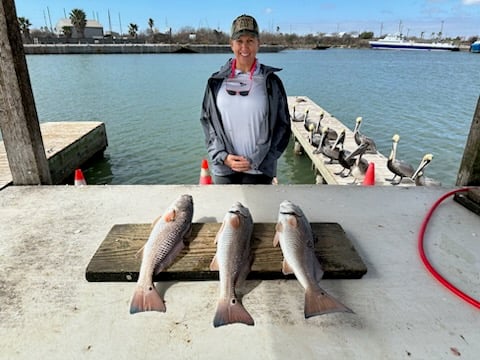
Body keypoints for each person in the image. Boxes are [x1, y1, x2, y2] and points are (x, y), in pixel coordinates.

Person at [200, 14, 291, 184]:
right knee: (225, 210)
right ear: (231, 44)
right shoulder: (215, 82)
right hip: (224, 168)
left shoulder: (272, 82)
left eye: (250, 40)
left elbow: (283, 126)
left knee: (259, 212)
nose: (244, 47)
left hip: (260, 169)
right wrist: (223, 156)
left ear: (258, 44)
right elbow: (208, 123)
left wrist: (258, 159)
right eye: (239, 41)